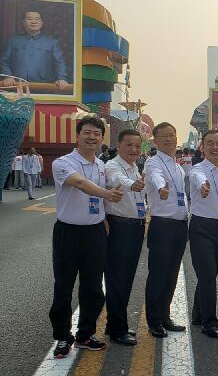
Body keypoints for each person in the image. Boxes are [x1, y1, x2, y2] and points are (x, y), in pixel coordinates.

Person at [48, 117, 124, 358]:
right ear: (77, 136)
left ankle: (85, 335)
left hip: (94, 233)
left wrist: (102, 216)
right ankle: (62, 337)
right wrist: (106, 194)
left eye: (96, 134)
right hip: (68, 233)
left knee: (93, 288)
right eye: (87, 133)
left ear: (102, 139)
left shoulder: (101, 166)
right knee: (64, 286)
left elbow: (96, 199)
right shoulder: (63, 163)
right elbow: (79, 184)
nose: (92, 137)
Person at [144, 122, 189, 339]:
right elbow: (155, 178)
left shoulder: (178, 165)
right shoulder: (153, 163)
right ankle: (154, 321)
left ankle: (165, 316)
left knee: (172, 274)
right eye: (165, 136)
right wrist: (161, 188)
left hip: (180, 225)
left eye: (172, 135)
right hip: (162, 225)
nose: (170, 139)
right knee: (159, 274)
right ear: (155, 140)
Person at [104, 129, 146, 346]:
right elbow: (116, 180)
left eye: (138, 146)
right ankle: (118, 330)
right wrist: (132, 184)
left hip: (135, 227)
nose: (134, 150)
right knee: (117, 279)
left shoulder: (134, 167)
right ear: (118, 146)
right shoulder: (112, 166)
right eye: (129, 145)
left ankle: (114, 323)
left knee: (126, 278)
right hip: (120, 227)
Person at [189, 130, 218, 339]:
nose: (215, 147)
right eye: (210, 143)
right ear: (202, 147)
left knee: (210, 274)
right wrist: (203, 186)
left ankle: (199, 314)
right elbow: (198, 178)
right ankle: (209, 322)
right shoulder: (197, 169)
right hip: (202, 228)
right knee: (207, 276)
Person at [0, 10, 69, 90]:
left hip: (43, 88)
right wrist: (7, 76)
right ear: (23, 22)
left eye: (37, 19)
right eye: (29, 19)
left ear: (41, 23)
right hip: (16, 87)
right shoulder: (13, 41)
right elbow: (4, 61)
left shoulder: (52, 43)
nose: (33, 22)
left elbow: (59, 63)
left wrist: (62, 78)